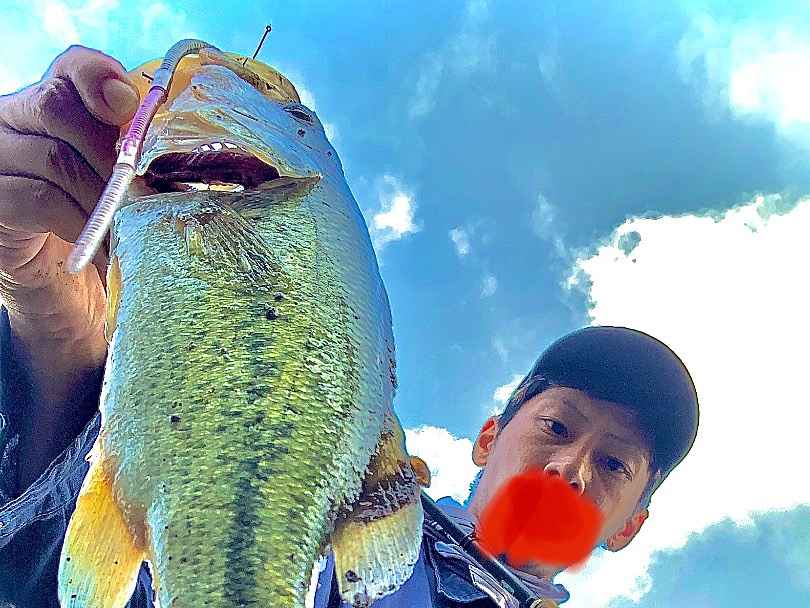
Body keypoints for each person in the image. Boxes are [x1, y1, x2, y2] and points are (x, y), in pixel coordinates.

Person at [0, 46, 699, 608]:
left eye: (615, 465)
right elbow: (56, 574)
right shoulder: (329, 514)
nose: (570, 470)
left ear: (630, 527)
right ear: (488, 438)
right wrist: (55, 333)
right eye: (557, 425)